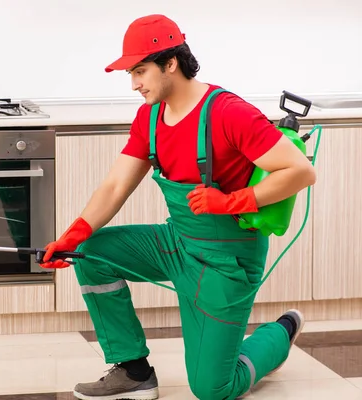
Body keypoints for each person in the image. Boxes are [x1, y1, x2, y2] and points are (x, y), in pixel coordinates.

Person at [38, 14, 317, 400]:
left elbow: (300, 171)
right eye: (130, 74)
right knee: (88, 251)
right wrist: (75, 233)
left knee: (213, 389)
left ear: (171, 63)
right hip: (177, 242)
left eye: (140, 71)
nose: (134, 84)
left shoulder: (228, 112)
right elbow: (117, 183)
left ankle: (279, 332)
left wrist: (232, 200)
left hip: (227, 259)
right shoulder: (150, 117)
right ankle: (133, 370)